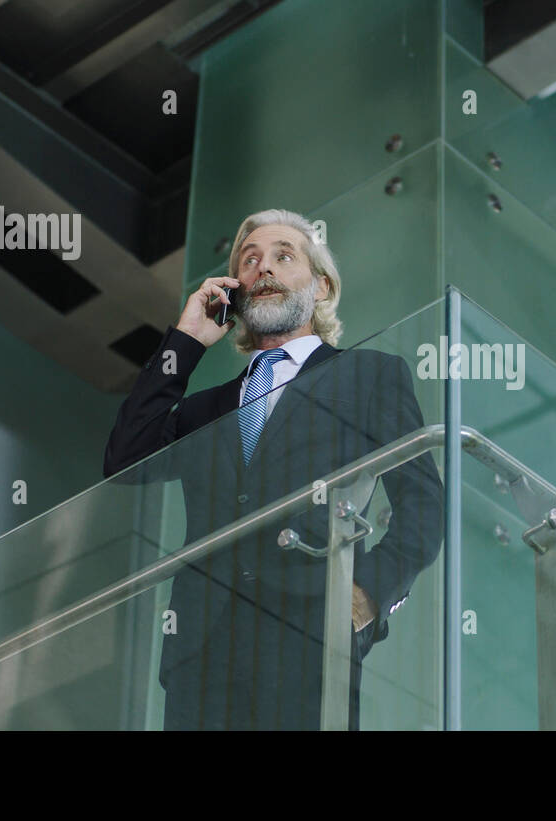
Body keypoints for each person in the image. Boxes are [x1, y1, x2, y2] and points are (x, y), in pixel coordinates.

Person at [102, 209, 444, 730]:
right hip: (201, 655)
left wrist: (366, 594)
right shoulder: (206, 409)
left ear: (321, 287)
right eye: (250, 260)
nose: (263, 269)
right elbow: (125, 460)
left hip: (310, 640)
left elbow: (424, 505)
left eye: (284, 257)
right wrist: (186, 340)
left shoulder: (369, 375)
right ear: (233, 292)